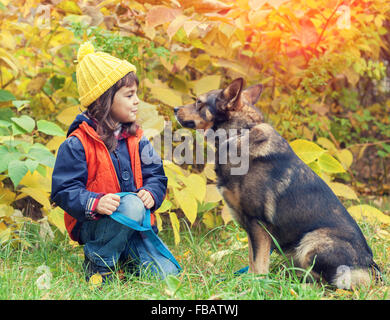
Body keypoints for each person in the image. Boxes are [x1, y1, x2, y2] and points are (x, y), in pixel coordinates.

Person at [51, 42, 180, 283]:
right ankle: (99, 262)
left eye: (136, 94)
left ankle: (125, 257)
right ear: (104, 100)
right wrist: (95, 202)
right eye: (129, 95)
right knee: (130, 204)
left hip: (136, 227)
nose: (137, 101)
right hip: (95, 225)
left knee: (167, 275)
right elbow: (63, 190)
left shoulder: (138, 139)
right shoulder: (78, 143)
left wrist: (152, 192)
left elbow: (157, 176)